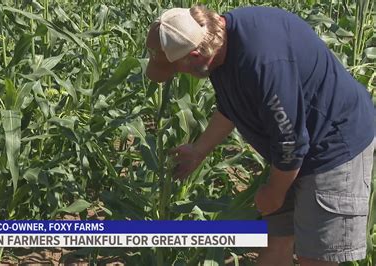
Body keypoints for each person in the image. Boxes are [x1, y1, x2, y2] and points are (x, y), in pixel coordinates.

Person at [145, 5, 375, 266]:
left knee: (317, 257)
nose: (179, 74)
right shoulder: (217, 45)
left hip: (332, 146)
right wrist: (198, 151)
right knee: (275, 242)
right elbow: (231, 107)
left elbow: (292, 144)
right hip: (291, 153)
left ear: (196, 55)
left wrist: (275, 192)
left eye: (178, 69)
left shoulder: (262, 62)